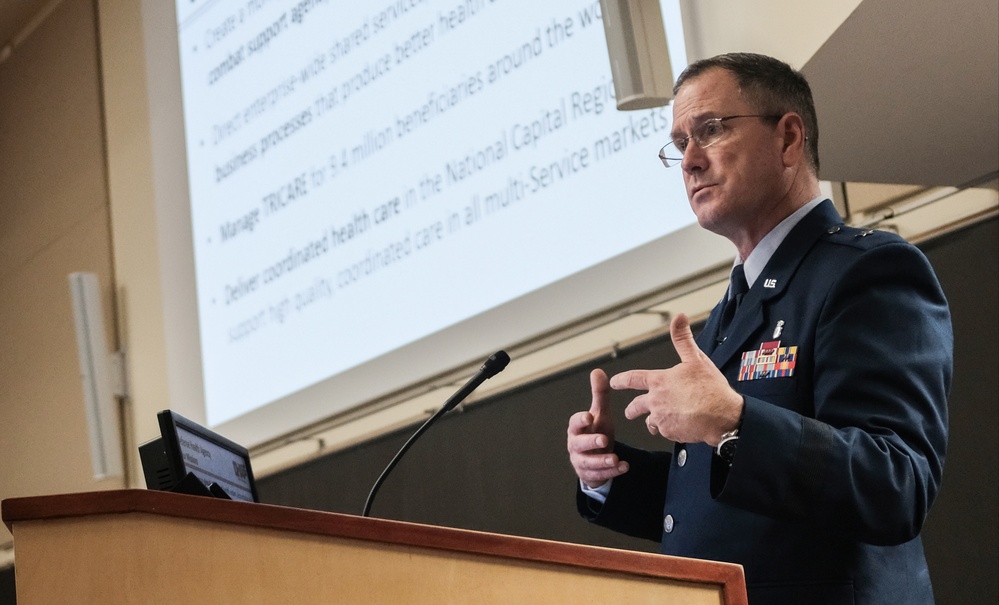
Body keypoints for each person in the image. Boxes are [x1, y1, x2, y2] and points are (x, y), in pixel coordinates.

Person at [566, 53, 952, 604]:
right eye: (679, 144)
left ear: (789, 138)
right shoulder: (737, 303)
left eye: (711, 130)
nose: (690, 162)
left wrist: (733, 421)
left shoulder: (866, 271)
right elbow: (726, 505)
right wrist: (607, 475)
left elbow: (895, 484)